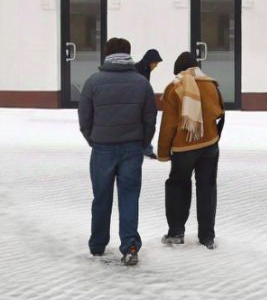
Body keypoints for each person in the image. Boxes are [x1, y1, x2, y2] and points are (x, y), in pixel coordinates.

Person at [78, 37, 157, 266]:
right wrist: (143, 143)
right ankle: (130, 246)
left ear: (107, 54)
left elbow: (84, 118)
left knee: (101, 197)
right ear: (129, 53)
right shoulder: (142, 83)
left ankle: (97, 244)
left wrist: (93, 139)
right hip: (132, 147)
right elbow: (150, 119)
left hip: (102, 148)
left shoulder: (93, 82)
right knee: (129, 197)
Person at [158, 51, 224, 248]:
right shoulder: (211, 85)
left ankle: (176, 233)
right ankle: (207, 237)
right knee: (207, 188)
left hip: (183, 148)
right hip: (209, 145)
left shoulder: (175, 87)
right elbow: (219, 113)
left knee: (177, 186)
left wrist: (163, 152)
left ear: (179, 70)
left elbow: (168, 124)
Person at [136, 49, 163, 158]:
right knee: (145, 124)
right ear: (149, 61)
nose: (156, 66)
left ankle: (146, 148)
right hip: (138, 102)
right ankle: (146, 149)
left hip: (141, 101)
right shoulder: (139, 70)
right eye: (155, 63)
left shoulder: (145, 69)